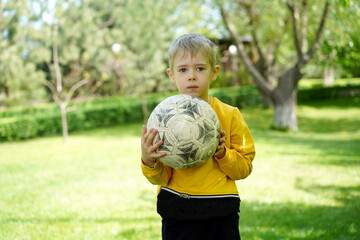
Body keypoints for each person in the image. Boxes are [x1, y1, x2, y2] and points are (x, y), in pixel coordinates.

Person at [141, 33, 255, 240]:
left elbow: (244, 168)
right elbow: (161, 177)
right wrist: (148, 161)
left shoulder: (230, 115)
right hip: (178, 211)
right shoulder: (162, 120)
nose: (191, 76)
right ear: (171, 75)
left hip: (221, 209)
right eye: (183, 69)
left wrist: (223, 154)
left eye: (200, 68)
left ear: (214, 72)